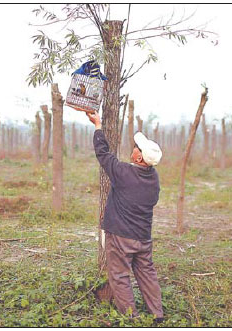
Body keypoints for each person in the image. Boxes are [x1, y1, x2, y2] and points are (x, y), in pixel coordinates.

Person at [87, 111, 164, 322]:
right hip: (143, 238)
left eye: (136, 148)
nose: (133, 148)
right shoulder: (153, 178)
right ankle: (157, 315)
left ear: (138, 157)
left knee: (120, 277)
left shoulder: (123, 173)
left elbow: (103, 154)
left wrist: (97, 126)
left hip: (121, 237)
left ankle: (132, 319)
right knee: (147, 274)